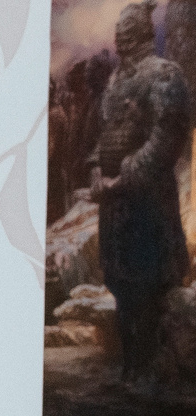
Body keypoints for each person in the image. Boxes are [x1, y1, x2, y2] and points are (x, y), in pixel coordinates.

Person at [94, 2, 191, 384]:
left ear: (142, 31)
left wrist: (128, 174)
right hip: (115, 205)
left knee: (149, 281)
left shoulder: (165, 75)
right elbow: (103, 136)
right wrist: (96, 173)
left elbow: (168, 137)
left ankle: (152, 369)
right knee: (119, 279)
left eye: (127, 26)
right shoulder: (116, 81)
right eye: (118, 26)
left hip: (147, 205)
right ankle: (132, 366)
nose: (119, 33)